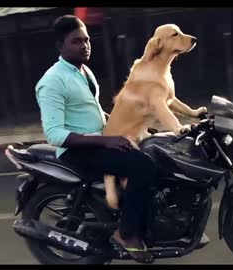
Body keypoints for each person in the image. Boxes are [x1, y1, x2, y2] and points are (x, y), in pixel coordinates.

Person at [35, 15, 155, 264]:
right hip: (77, 152)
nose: (85, 45)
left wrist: (129, 126)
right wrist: (105, 141)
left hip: (98, 142)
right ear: (61, 45)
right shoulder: (52, 82)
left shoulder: (84, 71)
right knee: (143, 166)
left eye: (87, 40)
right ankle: (126, 233)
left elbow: (94, 113)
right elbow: (55, 134)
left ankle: (144, 220)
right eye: (76, 41)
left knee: (155, 152)